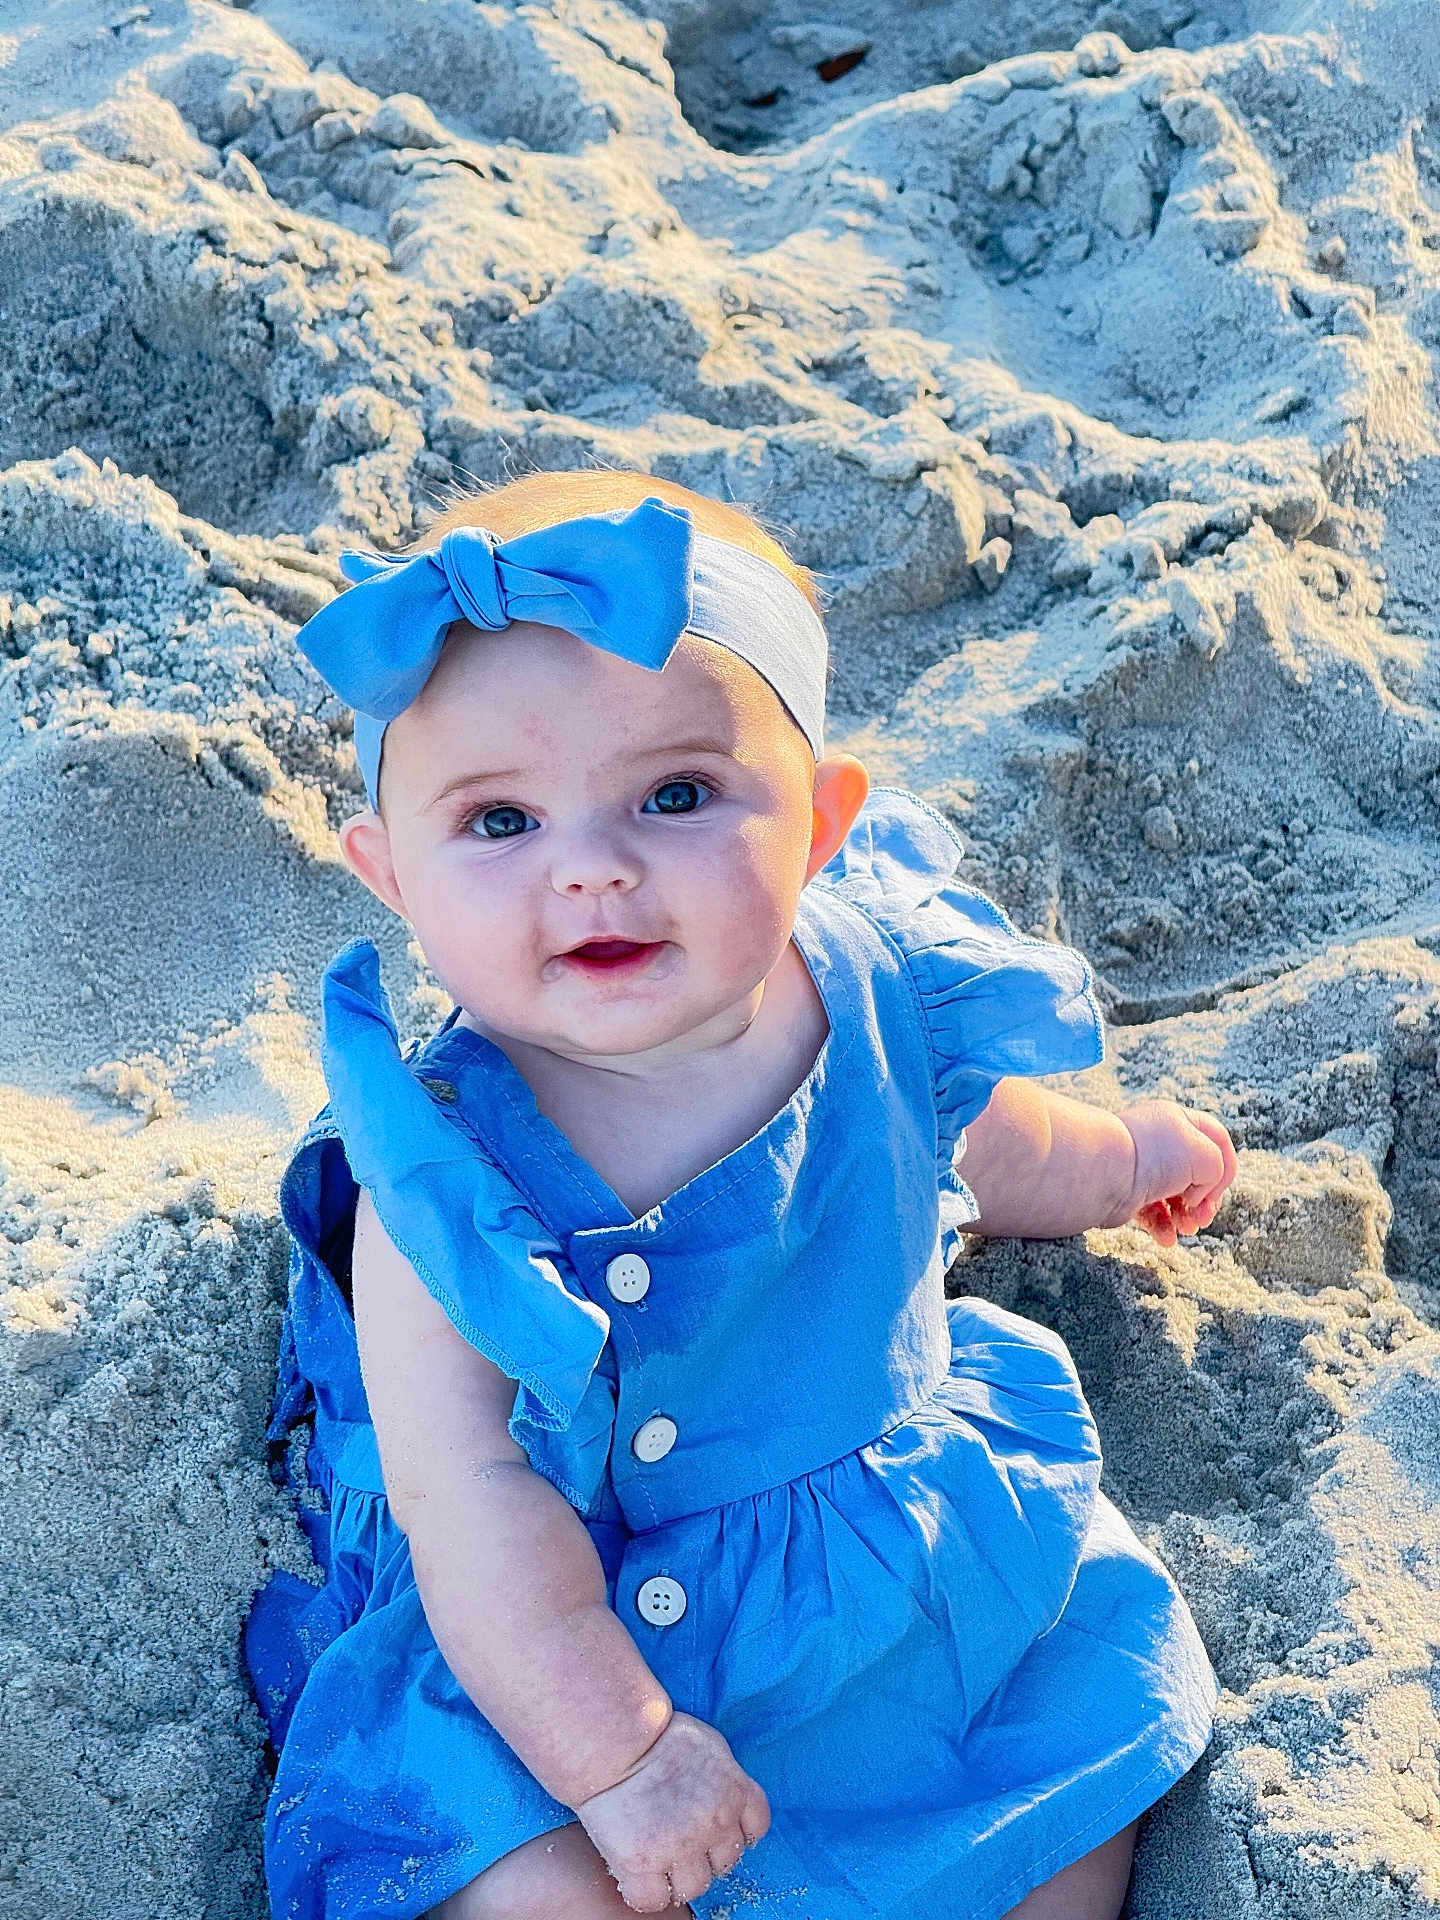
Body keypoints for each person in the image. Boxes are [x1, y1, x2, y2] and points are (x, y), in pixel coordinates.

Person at [243, 469, 1233, 1920]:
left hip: (877, 1545)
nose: (591, 868)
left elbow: (987, 1148)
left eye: (678, 794)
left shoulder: (887, 991)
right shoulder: (440, 1177)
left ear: (821, 825)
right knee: (505, 1870)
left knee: (1061, 1769)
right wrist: (621, 1758)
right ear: (390, 875)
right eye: (500, 823)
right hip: (554, 1616)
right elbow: (470, 1496)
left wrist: (1128, 1157)